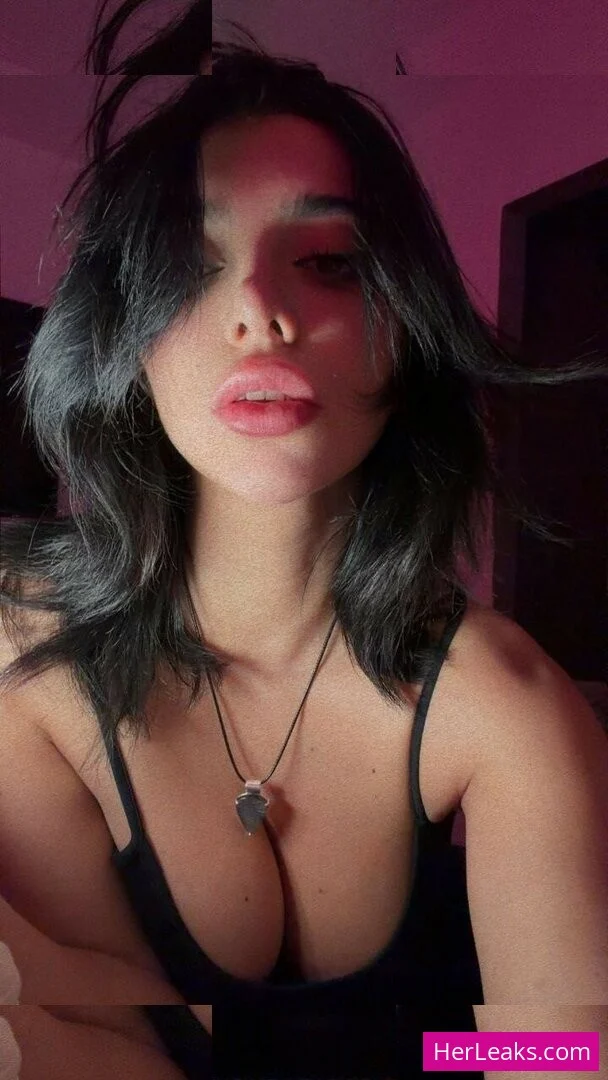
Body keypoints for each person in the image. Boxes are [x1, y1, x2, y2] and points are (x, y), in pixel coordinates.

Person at [1, 2, 607, 1078]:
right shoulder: (26, 656)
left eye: (327, 261)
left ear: (402, 328)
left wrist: (438, 1057)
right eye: (189, 266)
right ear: (127, 345)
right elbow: (111, 1034)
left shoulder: (505, 702)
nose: (259, 311)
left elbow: (554, 1052)